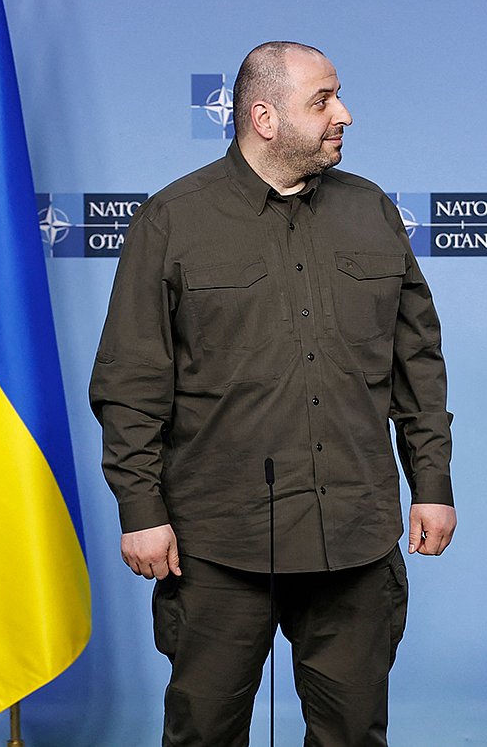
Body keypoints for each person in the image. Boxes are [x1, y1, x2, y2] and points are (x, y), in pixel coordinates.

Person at [90, 41, 456, 746]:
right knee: (204, 735)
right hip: (216, 544)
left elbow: (417, 363)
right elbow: (131, 382)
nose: (344, 114)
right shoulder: (172, 220)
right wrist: (140, 508)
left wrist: (432, 483)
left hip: (354, 540)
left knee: (353, 736)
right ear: (265, 118)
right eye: (323, 101)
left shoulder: (372, 212)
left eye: (337, 96)